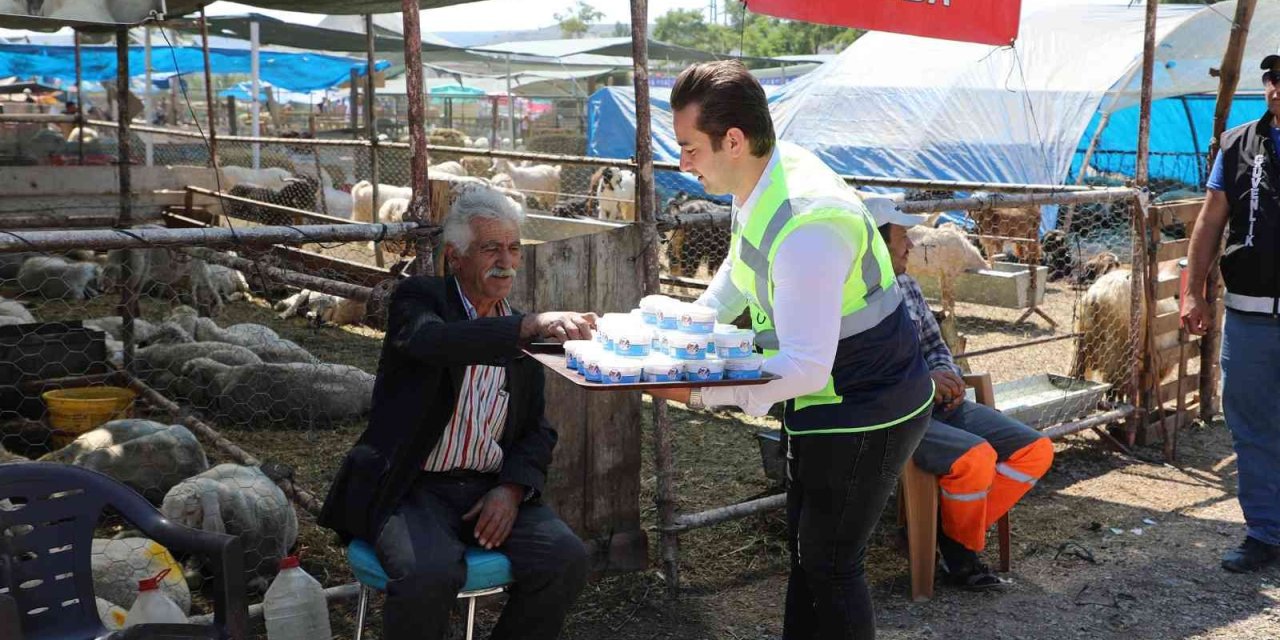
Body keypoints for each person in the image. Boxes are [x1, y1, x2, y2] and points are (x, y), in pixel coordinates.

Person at [648, 60, 934, 640]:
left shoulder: (808, 222)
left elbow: (804, 365)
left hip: (866, 406)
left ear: (733, 140)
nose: (682, 163)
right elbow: (744, 261)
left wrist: (698, 390)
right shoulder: (758, 175)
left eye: (688, 148)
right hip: (828, 399)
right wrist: (696, 322)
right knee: (811, 553)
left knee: (830, 562)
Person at [319, 187, 593, 639]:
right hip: (411, 487)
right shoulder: (419, 301)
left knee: (565, 559)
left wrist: (511, 488)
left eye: (513, 248)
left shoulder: (520, 330)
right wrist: (526, 328)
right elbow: (435, 343)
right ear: (456, 257)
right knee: (428, 575)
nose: (505, 261)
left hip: (486, 487)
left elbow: (536, 430)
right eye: (490, 248)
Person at [869, 199, 1054, 589]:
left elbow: (935, 345)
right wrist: (926, 384)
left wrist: (948, 374)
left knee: (1035, 450)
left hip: (936, 403)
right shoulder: (854, 300)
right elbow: (871, 377)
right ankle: (960, 554)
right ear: (874, 245)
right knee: (976, 457)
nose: (910, 247)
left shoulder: (908, 285)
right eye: (902, 239)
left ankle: (946, 534)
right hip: (897, 414)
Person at [1182, 53, 1280, 574]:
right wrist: (1192, 291)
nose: (1278, 86)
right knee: (1251, 428)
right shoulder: (1238, 142)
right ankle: (1264, 533)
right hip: (1248, 316)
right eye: (1273, 77)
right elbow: (1210, 218)